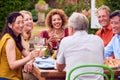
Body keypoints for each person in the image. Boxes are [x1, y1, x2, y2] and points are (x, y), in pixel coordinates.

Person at [56, 12, 104, 80]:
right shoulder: (98, 40)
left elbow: (59, 68)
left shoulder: (66, 41)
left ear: (71, 28)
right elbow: (102, 61)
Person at [0, 12, 40, 80]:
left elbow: (27, 53)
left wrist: (36, 54)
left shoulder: (16, 38)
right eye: (18, 23)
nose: (21, 25)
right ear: (10, 25)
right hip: (7, 78)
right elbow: (12, 65)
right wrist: (30, 57)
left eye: (22, 22)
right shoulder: (10, 40)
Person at [19, 10, 38, 80]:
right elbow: (19, 56)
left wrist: (31, 60)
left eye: (30, 19)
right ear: (21, 23)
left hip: (26, 68)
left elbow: (33, 54)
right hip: (18, 71)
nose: (30, 21)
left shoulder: (28, 36)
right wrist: (30, 60)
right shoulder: (18, 37)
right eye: (26, 20)